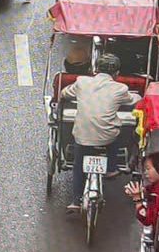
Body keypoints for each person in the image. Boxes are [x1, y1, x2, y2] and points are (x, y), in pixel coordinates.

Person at [60, 54, 141, 212]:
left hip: (82, 136)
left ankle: (76, 201)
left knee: (78, 166)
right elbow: (134, 99)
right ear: (116, 74)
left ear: (95, 69)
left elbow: (64, 93)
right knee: (115, 133)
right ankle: (111, 167)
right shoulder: (120, 89)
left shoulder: (82, 82)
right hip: (107, 137)